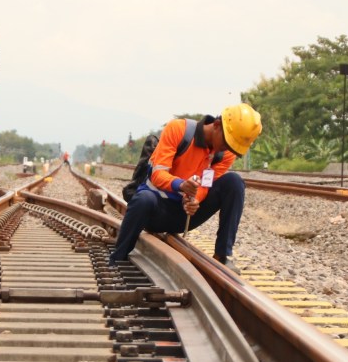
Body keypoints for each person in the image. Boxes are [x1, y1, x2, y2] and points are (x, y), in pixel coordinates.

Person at [108, 103, 262, 271]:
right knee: (143, 199)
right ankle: (117, 259)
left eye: (232, 147)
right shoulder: (178, 130)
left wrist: (195, 199)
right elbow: (158, 175)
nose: (227, 150)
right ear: (216, 125)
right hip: (155, 211)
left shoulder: (225, 154)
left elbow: (206, 184)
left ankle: (222, 256)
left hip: (186, 215)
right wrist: (181, 185)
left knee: (234, 182)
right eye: (226, 143)